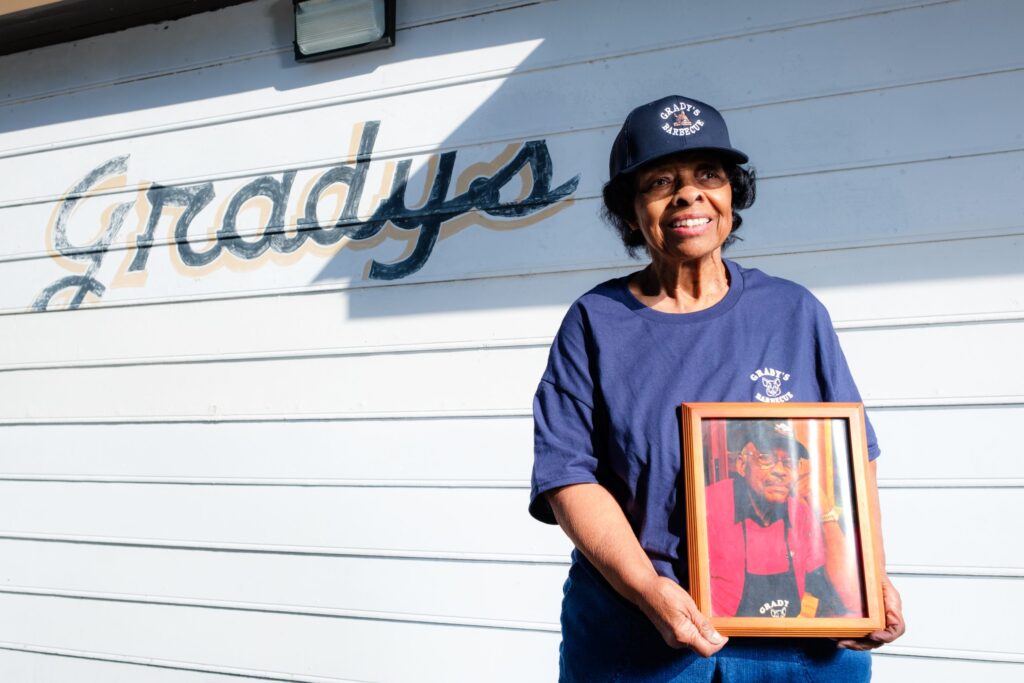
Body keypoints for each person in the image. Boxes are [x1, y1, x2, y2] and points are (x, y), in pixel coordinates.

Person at [529, 94, 905, 681]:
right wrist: (649, 589)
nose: (689, 194)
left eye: (710, 175)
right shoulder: (594, 322)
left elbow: (849, 467)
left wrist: (862, 575)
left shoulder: (793, 311)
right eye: (660, 181)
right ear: (631, 211)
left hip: (798, 648)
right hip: (640, 640)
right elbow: (568, 476)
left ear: (733, 196)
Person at [706, 420, 859, 619]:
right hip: (724, 641)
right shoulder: (709, 504)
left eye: (789, 462)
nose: (780, 471)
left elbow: (850, 597)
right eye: (766, 458)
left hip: (786, 636)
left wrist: (827, 515)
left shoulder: (800, 512)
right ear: (742, 465)